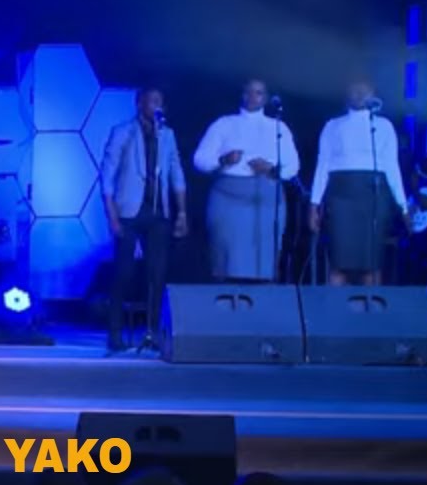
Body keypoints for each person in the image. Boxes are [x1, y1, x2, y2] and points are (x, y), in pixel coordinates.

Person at [99, 86, 189, 352]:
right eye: (152, 101)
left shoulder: (167, 135)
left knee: (157, 274)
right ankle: (115, 332)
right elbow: (107, 174)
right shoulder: (123, 132)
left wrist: (182, 212)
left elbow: (176, 173)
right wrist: (112, 215)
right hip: (128, 211)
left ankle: (153, 332)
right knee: (124, 272)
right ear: (140, 104)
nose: (157, 106)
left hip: (158, 211)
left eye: (161, 101)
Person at [193, 79, 300, 282]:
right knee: (225, 260)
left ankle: (263, 294)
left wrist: (271, 169)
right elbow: (199, 160)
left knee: (264, 259)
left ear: (265, 98)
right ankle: (226, 296)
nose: (252, 97)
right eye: (248, 92)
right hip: (228, 196)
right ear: (242, 95)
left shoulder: (278, 127)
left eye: (258, 93)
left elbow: (293, 166)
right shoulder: (224, 124)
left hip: (265, 197)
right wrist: (224, 160)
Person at [309, 79, 408, 286]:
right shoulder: (333, 126)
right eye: (355, 90)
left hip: (373, 195)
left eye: (365, 91)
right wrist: (314, 204)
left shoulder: (383, 126)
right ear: (346, 94)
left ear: (373, 95)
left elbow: (392, 167)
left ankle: (370, 306)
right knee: (339, 261)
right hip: (341, 195)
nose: (360, 94)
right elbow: (323, 165)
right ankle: (335, 305)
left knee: (371, 263)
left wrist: (403, 206)